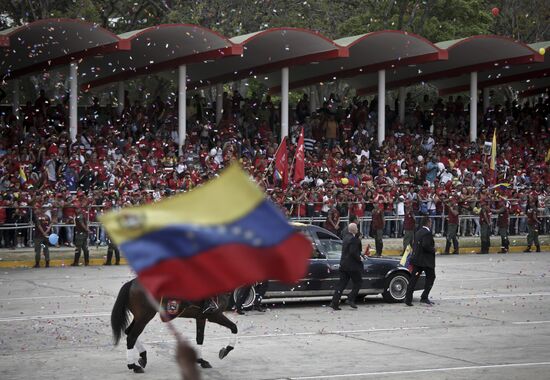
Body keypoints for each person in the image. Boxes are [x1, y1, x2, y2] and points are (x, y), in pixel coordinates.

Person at [330, 223, 363, 310]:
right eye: (356, 228)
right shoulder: (353, 239)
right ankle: (351, 299)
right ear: (354, 230)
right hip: (352, 266)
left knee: (341, 284)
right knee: (358, 282)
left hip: (344, 264)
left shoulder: (345, 238)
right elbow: (353, 252)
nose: (358, 230)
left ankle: (335, 302)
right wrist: (359, 258)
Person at [405, 217, 436, 306]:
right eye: (430, 222)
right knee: (431, 277)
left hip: (417, 260)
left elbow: (413, 244)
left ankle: (408, 298)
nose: (431, 224)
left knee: (413, 279)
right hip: (426, 261)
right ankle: (424, 297)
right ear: (428, 223)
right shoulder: (427, 233)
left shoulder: (418, 232)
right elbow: (426, 245)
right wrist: (433, 249)